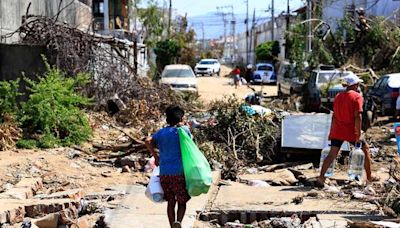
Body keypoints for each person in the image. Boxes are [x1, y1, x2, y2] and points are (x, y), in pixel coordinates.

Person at [317, 73, 374, 187]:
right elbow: (358, 117)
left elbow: (334, 116)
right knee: (365, 150)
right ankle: (369, 178)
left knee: (332, 154)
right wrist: (358, 134)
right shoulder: (357, 97)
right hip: (351, 131)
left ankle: (321, 177)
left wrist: (331, 132)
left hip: (337, 130)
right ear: (355, 84)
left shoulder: (338, 96)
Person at [145, 106, 191, 228]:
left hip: (165, 173)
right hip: (179, 173)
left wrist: (155, 156)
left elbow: (148, 140)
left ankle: (172, 225)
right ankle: (179, 222)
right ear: (181, 118)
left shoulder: (161, 132)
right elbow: (191, 146)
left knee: (171, 201)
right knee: (182, 201)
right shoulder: (183, 131)